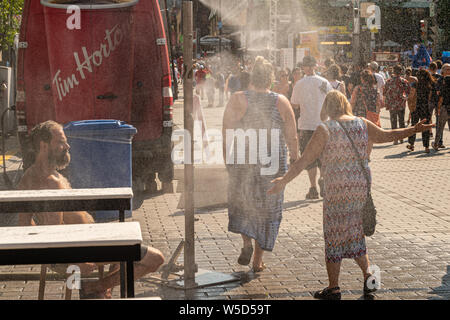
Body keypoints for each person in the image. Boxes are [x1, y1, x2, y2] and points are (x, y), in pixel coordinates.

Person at [268, 90, 434, 300]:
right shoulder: (362, 123)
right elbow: (388, 136)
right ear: (345, 104)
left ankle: (334, 287)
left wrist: (283, 181)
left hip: (337, 191)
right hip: (360, 189)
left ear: (327, 108)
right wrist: (414, 129)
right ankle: (369, 275)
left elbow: (303, 161)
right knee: (355, 232)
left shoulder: (324, 129)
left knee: (334, 234)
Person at [17, 120, 165, 299]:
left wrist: (40, 249)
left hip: (90, 241)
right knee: (155, 259)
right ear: (44, 145)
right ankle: (96, 287)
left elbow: (24, 224)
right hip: (88, 248)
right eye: (61, 142)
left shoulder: (29, 177)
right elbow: (54, 236)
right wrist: (76, 260)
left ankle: (98, 288)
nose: (67, 146)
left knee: (124, 240)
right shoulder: (50, 183)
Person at [223, 56, 299, 272]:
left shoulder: (238, 99)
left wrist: (226, 158)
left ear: (252, 77)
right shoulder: (281, 101)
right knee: (267, 210)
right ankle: (257, 260)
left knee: (243, 204)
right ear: (270, 79)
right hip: (272, 165)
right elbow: (292, 136)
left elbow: (226, 130)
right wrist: (295, 160)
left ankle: (246, 243)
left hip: (242, 162)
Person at [290, 55, 332, 199]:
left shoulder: (299, 84)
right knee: (324, 155)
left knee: (309, 157)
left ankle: (313, 187)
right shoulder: (324, 82)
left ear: (303, 67)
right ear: (315, 66)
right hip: (323, 125)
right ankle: (323, 179)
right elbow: (331, 100)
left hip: (306, 124)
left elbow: (294, 104)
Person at [407, 69, 435, 153]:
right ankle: (426, 147)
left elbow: (411, 96)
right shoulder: (430, 85)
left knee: (414, 126)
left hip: (416, 108)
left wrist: (408, 101)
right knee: (425, 127)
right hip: (426, 108)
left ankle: (411, 144)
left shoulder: (416, 85)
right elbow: (430, 98)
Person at [383, 65, 411, 145]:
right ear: (401, 71)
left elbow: (384, 93)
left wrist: (386, 102)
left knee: (393, 121)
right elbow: (408, 92)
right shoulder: (404, 81)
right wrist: (404, 97)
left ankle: (395, 139)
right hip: (401, 104)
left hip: (392, 104)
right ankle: (401, 138)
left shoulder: (388, 81)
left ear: (393, 71)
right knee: (401, 121)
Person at [433, 64, 450, 151]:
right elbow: (438, 97)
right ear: (442, 70)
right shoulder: (439, 81)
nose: (448, 71)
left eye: (449, 69)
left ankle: (436, 143)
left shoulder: (444, 86)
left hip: (444, 108)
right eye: (447, 69)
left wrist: (439, 108)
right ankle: (439, 142)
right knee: (440, 127)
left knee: (440, 127)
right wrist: (437, 108)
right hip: (444, 108)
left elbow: (441, 98)